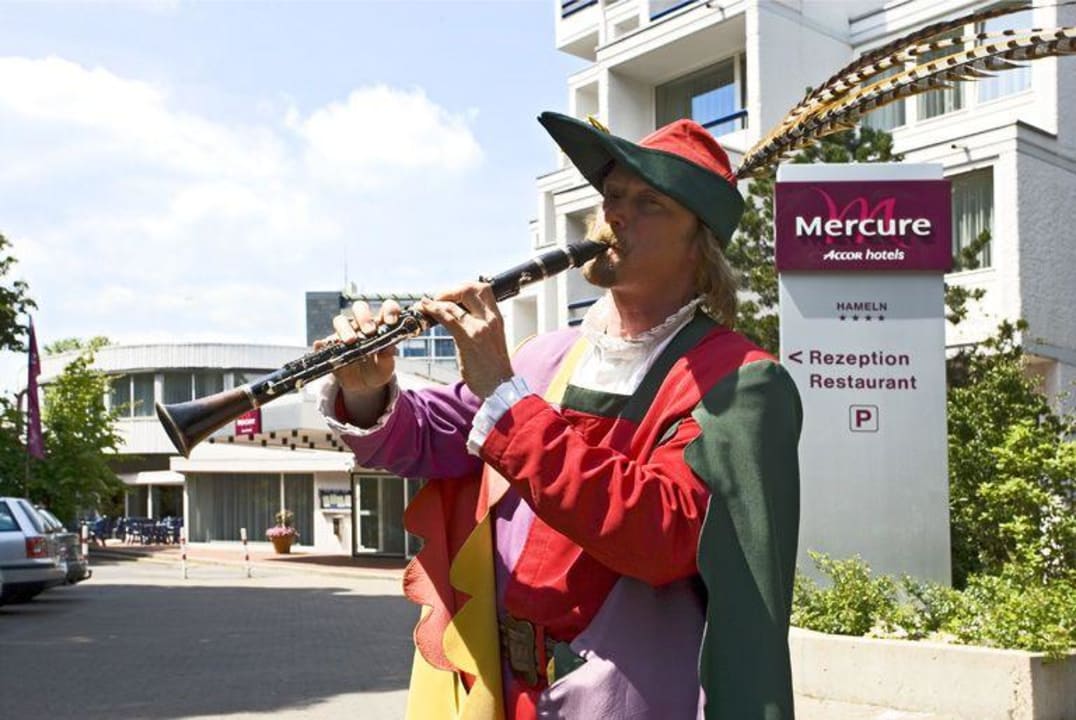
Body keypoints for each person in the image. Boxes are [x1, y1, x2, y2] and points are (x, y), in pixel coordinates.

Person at [318, 112, 802, 719]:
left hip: (626, 702)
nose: (613, 216)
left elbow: (661, 534)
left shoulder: (740, 380)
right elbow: (430, 437)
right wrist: (368, 390)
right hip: (504, 692)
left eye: (647, 202)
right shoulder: (549, 354)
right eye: (612, 196)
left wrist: (505, 398)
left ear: (698, 241)